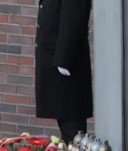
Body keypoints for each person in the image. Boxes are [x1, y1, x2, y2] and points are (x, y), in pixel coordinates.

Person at [35, 0, 93, 143]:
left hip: (65, 62)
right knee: (64, 117)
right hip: (56, 58)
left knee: (72, 123)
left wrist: (64, 60)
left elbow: (74, 19)